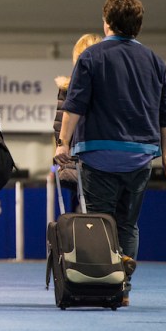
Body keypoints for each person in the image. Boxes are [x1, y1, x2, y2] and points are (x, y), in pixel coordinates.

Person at [54, 0, 166, 307]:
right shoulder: (155, 61)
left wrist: (63, 143)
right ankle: (123, 287)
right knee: (127, 224)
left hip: (98, 154)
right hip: (140, 155)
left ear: (107, 23)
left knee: (99, 222)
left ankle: (103, 285)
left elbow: (75, 105)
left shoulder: (91, 56)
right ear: (137, 26)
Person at [52, 33, 102, 211]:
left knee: (84, 218)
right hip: (102, 165)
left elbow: (59, 129)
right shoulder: (108, 90)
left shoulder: (67, 89)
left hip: (75, 167)